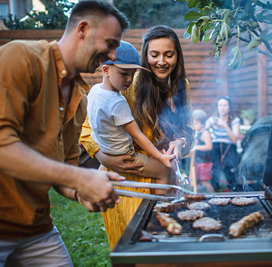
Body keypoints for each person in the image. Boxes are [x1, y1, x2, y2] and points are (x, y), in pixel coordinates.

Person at [0, 1, 129, 266]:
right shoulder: (21, 57)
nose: (113, 56)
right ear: (83, 29)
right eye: (111, 43)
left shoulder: (80, 98)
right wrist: (79, 178)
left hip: (36, 228)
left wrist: (81, 191)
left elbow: (64, 168)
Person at [80, 25, 194, 249]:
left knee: (164, 247)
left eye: (168, 54)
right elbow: (88, 129)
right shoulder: (128, 81)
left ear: (177, 56)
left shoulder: (182, 86)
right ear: (145, 56)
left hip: (166, 180)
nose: (161, 61)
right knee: (135, 250)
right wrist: (104, 157)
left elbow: (188, 131)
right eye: (154, 55)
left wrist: (181, 143)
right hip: (130, 179)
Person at [87, 40, 175, 190]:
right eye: (124, 73)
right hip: (125, 155)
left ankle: (93, 188)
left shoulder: (94, 90)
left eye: (133, 73)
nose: (129, 79)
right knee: (164, 171)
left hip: (105, 148)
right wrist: (161, 157)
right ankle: (161, 210)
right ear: (106, 70)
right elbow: (137, 136)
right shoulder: (117, 103)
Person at [206, 96, 240, 192]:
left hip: (229, 146)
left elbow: (234, 139)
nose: (222, 107)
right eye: (220, 105)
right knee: (215, 167)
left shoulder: (235, 120)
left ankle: (233, 189)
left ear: (229, 107)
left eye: (225, 105)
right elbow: (202, 129)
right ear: (217, 107)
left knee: (228, 167)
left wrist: (225, 125)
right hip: (216, 145)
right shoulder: (212, 120)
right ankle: (215, 189)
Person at [192, 109, 215, 193]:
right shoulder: (198, 132)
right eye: (193, 123)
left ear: (202, 124)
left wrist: (196, 147)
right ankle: (197, 197)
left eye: (196, 124)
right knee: (197, 181)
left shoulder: (205, 133)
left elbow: (209, 146)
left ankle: (214, 196)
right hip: (198, 161)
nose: (194, 125)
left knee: (204, 182)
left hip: (205, 162)